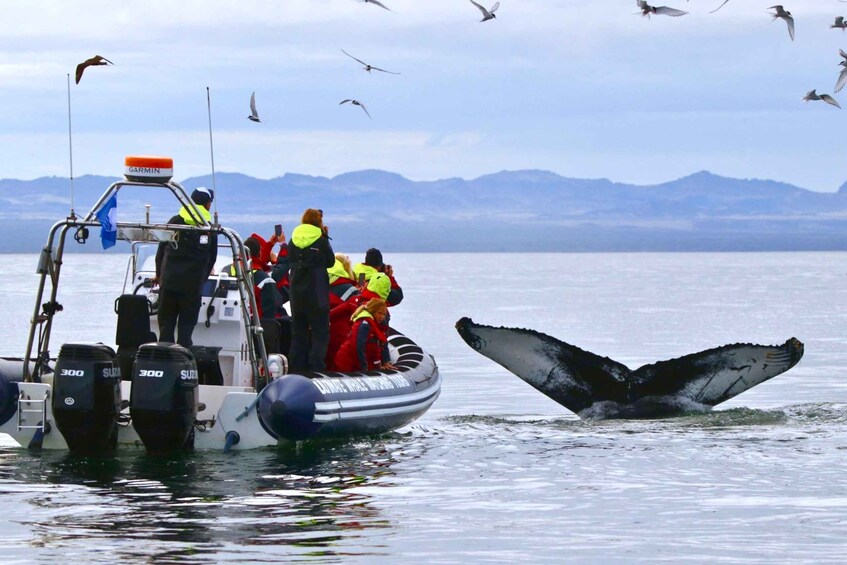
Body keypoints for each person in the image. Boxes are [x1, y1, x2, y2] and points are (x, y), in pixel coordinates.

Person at [154, 187, 218, 348]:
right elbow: (212, 258)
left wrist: (159, 275)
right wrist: (201, 280)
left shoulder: (175, 221)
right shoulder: (209, 228)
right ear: (208, 205)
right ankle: (182, 362)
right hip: (192, 285)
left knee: (166, 326)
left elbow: (161, 251)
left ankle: (164, 361)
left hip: (169, 282)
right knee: (186, 327)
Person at [287, 208, 335, 371]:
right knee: (320, 333)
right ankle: (316, 369)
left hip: (296, 293)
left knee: (298, 334)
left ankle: (295, 369)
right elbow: (330, 262)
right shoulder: (320, 241)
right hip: (316, 293)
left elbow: (289, 259)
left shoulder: (293, 239)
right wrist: (325, 237)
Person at [225, 237, 284, 355]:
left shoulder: (225, 272)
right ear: (259, 253)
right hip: (255, 335)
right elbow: (270, 315)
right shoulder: (265, 281)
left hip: (227, 330)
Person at [334, 298, 395, 372]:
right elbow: (357, 347)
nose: (382, 317)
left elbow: (383, 344)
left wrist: (386, 361)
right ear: (372, 311)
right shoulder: (364, 324)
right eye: (379, 313)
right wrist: (364, 368)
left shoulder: (377, 326)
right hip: (348, 364)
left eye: (384, 314)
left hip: (360, 364)